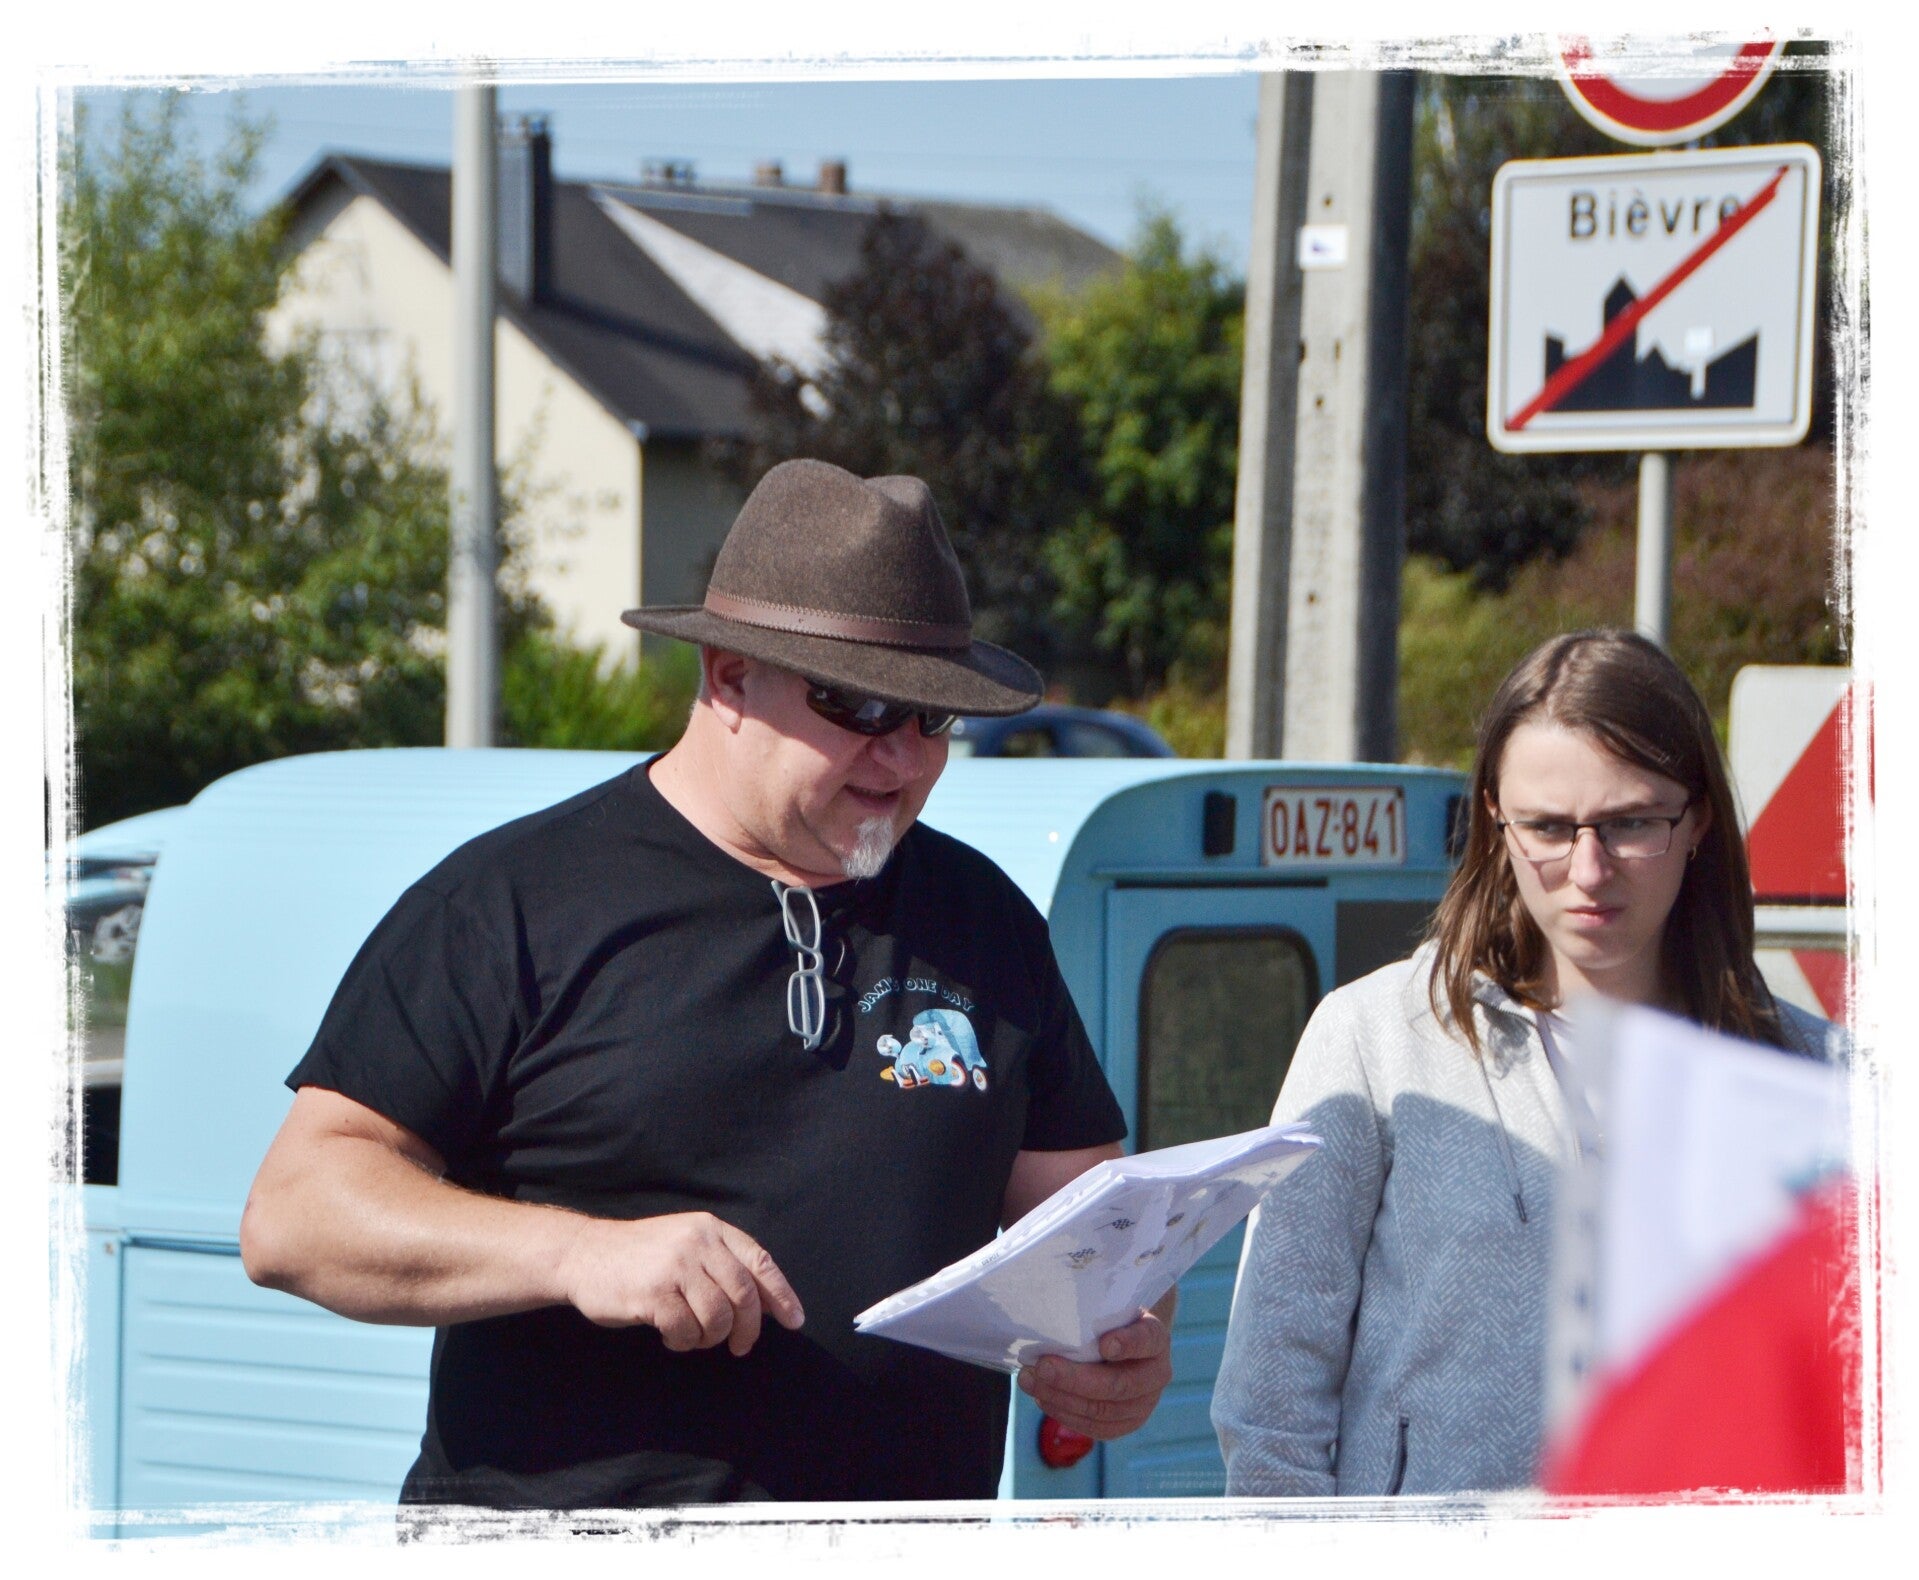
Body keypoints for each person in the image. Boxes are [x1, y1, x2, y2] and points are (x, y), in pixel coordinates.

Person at [240, 458, 1173, 1509]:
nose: (903, 758)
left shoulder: (985, 920)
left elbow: (1096, 1228)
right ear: (729, 677)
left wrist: (1124, 1342)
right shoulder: (513, 902)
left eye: (934, 718)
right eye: (864, 705)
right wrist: (577, 1254)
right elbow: (295, 1216)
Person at [1210, 629, 1841, 1497]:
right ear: (1494, 823)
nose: (1588, 869)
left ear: (1697, 819)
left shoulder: (1817, 1078)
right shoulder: (1372, 1040)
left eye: (1629, 824)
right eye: (1546, 827)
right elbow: (1269, 1403)